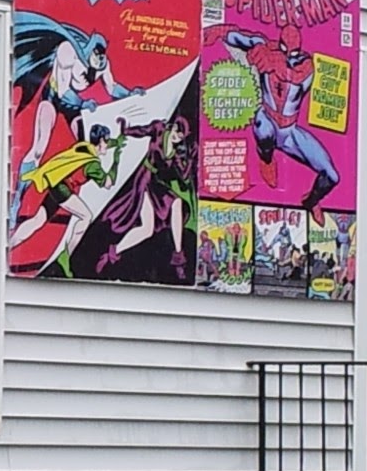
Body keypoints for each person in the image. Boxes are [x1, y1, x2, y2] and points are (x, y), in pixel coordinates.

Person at [11, 13, 142, 229]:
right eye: (95, 57)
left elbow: (111, 88)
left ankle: (70, 192)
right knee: (38, 149)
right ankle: (18, 199)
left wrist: (129, 93)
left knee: (88, 150)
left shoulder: (102, 65)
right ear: (88, 53)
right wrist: (83, 103)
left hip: (76, 107)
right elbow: (63, 91)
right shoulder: (68, 52)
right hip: (54, 98)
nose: (96, 66)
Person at [207, 21, 339, 223]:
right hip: (267, 117)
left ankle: (311, 201)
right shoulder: (265, 47)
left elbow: (294, 77)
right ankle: (266, 160)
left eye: (294, 53)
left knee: (332, 176)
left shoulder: (306, 65)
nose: (290, 56)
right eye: (285, 51)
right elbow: (239, 37)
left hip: (290, 131)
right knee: (263, 129)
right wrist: (219, 32)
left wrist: (275, 63)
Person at [9, 123, 125, 276]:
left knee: (38, 220)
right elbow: (108, 183)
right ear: (101, 141)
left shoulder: (84, 147)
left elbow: (106, 144)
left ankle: (10, 243)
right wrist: (116, 161)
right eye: (107, 141)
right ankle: (66, 255)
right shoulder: (92, 165)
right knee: (86, 216)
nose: (108, 144)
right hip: (63, 190)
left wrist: (118, 141)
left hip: (56, 184)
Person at [95, 115, 194, 279]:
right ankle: (112, 254)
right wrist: (125, 130)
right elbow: (142, 131)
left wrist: (190, 160)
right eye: (177, 133)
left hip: (155, 183)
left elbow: (183, 177)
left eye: (181, 137)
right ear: (173, 127)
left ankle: (178, 257)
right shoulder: (159, 129)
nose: (177, 138)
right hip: (142, 179)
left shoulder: (174, 153)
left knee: (177, 202)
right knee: (147, 229)